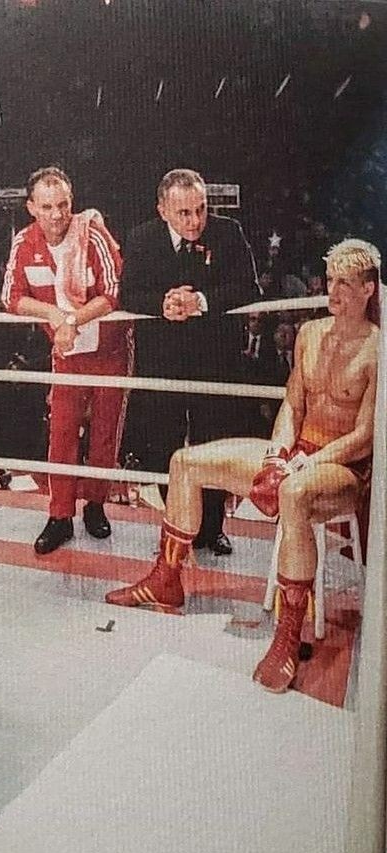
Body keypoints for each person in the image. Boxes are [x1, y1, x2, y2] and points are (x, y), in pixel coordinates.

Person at [107, 239, 379, 695]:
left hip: (341, 467)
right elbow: (293, 401)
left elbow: (365, 436)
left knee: (293, 494)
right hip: (297, 451)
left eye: (346, 284)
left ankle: (288, 635)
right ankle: (165, 581)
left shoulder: (377, 349)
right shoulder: (311, 333)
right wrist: (277, 454)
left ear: (369, 289)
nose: (334, 292)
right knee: (186, 462)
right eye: (330, 280)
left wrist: (306, 463)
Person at [121, 168, 260, 555]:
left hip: (214, 359)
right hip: (162, 360)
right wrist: (162, 304)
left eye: (200, 210)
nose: (195, 221)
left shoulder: (228, 231)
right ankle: (179, 527)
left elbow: (250, 286)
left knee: (213, 443)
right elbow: (128, 294)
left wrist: (199, 302)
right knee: (164, 445)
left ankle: (212, 528)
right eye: (184, 213)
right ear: (163, 209)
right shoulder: (141, 238)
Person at [1, 166, 130, 554]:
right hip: (67, 355)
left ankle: (95, 506)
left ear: (71, 203)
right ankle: (60, 515)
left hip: (110, 351)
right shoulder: (24, 242)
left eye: (63, 205)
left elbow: (112, 292)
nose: (57, 215)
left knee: (106, 433)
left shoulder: (92, 232)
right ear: (31, 208)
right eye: (47, 206)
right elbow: (10, 297)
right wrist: (54, 315)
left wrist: (72, 318)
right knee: (61, 433)